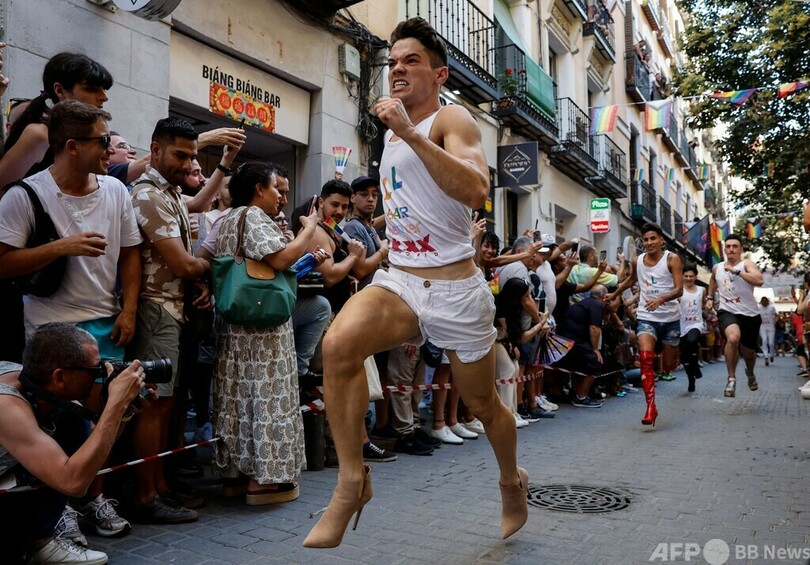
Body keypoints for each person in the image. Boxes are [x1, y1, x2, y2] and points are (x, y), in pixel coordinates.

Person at [303, 18, 528, 548]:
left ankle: (510, 480)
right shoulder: (389, 133)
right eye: (393, 61)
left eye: (411, 61)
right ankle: (352, 482)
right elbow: (412, 206)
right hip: (402, 279)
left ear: (439, 73)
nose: (397, 69)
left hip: (457, 291)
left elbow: (475, 190)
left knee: (482, 405)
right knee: (337, 347)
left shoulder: (452, 118)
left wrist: (408, 131)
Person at [206, 162, 323, 504]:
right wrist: (308, 230)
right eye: (276, 189)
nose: (281, 198)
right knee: (267, 397)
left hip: (236, 328)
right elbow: (282, 260)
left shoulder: (229, 218)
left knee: (239, 400)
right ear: (259, 189)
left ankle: (237, 476)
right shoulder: (253, 216)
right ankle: (264, 481)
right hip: (263, 331)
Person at [0, 323, 146, 564]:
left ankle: (41, 539)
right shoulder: (7, 407)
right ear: (60, 376)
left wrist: (123, 413)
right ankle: (39, 541)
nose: (102, 375)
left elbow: (90, 452)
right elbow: (73, 482)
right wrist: (115, 404)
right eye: (95, 370)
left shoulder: (37, 381)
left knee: (73, 421)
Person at [126, 117, 212, 524]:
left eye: (193, 156)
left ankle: (159, 486)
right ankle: (146, 495)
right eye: (180, 155)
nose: (188, 163)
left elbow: (186, 264)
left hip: (173, 308)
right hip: (155, 308)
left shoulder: (172, 193)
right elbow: (182, 263)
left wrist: (199, 279)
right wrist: (209, 265)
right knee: (154, 405)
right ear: (155, 150)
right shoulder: (147, 194)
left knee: (167, 404)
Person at [608, 223, 683, 427]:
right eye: (646, 240)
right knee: (646, 359)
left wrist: (661, 299)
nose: (649, 243)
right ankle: (651, 407)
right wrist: (614, 294)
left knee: (668, 366)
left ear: (661, 240)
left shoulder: (672, 259)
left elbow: (679, 290)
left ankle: (672, 354)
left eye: (653, 238)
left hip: (670, 319)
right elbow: (630, 280)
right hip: (647, 317)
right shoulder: (637, 261)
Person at [707, 234, 764, 398]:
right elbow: (713, 280)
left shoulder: (746, 264)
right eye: (728, 246)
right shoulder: (717, 267)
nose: (731, 249)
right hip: (727, 311)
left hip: (749, 315)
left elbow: (759, 280)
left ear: (741, 249)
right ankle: (731, 379)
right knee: (733, 338)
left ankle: (750, 373)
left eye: (735, 246)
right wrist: (710, 297)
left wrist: (737, 272)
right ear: (724, 249)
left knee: (749, 354)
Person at [679, 264, 705, 392]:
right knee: (684, 357)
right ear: (682, 276)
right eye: (686, 276)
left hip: (696, 324)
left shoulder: (702, 290)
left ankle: (695, 367)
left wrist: (709, 308)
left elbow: (704, 305)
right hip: (681, 325)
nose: (688, 278)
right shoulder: (678, 291)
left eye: (691, 276)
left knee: (692, 340)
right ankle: (691, 378)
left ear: (695, 277)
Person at [758, 297, 776, 365]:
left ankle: (771, 354)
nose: (764, 303)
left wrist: (775, 321)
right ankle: (766, 356)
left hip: (771, 326)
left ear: (767, 301)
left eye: (765, 301)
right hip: (762, 326)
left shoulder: (772, 307)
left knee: (771, 343)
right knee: (764, 340)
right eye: (763, 302)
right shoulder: (759, 308)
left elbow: (776, 315)